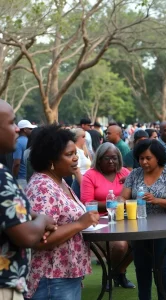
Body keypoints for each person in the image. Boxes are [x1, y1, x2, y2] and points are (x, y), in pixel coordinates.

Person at [24, 124, 100, 300]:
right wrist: (80, 223)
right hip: (51, 278)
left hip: (66, 274)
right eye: (69, 154)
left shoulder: (60, 182)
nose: (76, 159)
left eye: (75, 153)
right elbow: (39, 240)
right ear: (51, 160)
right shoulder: (42, 187)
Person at [0, 100, 56, 300]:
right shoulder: (1, 177)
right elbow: (26, 236)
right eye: (11, 123)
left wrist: (30, 215)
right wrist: (42, 220)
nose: (17, 129)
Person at [122, 139, 166, 300]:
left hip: (165, 226)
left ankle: (165, 297)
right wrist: (118, 202)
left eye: (148, 158)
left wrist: (156, 200)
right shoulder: (134, 174)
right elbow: (123, 197)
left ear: (158, 157)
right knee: (141, 267)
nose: (144, 161)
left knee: (161, 266)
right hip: (139, 227)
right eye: (141, 158)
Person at [80, 143, 135, 289]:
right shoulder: (90, 175)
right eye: (107, 158)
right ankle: (111, 274)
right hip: (100, 222)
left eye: (114, 158)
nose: (111, 161)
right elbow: (87, 203)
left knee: (142, 243)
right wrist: (112, 204)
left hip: (124, 219)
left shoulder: (124, 173)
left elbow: (133, 196)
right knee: (120, 245)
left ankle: (116, 272)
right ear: (98, 160)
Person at [12, 120, 36, 190]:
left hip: (22, 178)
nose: (32, 130)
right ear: (25, 130)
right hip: (24, 179)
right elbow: (17, 163)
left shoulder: (18, 142)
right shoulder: (28, 142)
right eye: (30, 129)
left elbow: (16, 164)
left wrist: (13, 177)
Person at [70, 128, 92, 199]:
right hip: (80, 183)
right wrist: (85, 187)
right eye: (83, 136)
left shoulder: (83, 150)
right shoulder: (76, 151)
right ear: (76, 138)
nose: (85, 139)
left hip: (86, 182)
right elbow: (77, 171)